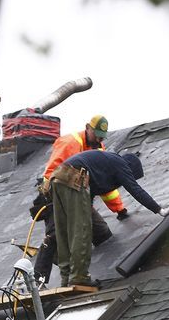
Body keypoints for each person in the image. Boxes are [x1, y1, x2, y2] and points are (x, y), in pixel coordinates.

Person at [50, 150, 169, 289]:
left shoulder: (105, 165)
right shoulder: (121, 164)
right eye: (131, 176)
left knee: (63, 229)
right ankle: (79, 277)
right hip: (74, 178)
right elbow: (135, 189)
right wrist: (160, 210)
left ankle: (65, 277)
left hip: (57, 178)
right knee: (82, 230)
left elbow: (89, 195)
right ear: (131, 168)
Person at [31, 115, 128, 284]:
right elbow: (52, 175)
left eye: (101, 137)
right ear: (87, 128)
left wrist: (119, 209)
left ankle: (103, 275)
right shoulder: (70, 143)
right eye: (96, 134)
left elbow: (103, 184)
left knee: (101, 232)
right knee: (55, 236)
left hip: (79, 197)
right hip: (55, 196)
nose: (98, 139)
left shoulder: (98, 149)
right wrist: (55, 200)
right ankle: (39, 281)